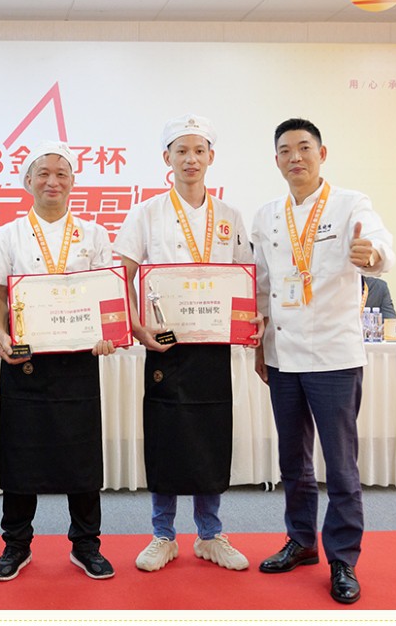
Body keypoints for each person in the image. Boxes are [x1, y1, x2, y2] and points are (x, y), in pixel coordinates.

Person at [251, 118, 395, 605]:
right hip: (282, 355)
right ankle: (300, 541)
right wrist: (259, 346)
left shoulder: (351, 203)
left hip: (334, 355)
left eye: (304, 147)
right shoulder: (267, 215)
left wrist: (371, 255)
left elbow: (382, 248)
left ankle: (343, 558)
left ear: (322, 153)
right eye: (285, 150)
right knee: (293, 460)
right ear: (276, 160)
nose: (295, 157)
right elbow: (262, 287)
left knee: (340, 464)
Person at [113, 114, 261, 574]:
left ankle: (210, 535)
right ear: (167, 158)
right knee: (165, 439)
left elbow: (245, 279)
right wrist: (137, 327)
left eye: (199, 150)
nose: (190, 159)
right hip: (165, 346)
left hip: (213, 347)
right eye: (181, 151)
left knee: (211, 437)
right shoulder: (146, 213)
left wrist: (248, 325)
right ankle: (162, 535)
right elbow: (121, 275)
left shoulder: (230, 216)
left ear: (211, 157)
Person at [0, 141, 117, 582]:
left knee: (82, 455)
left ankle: (86, 544)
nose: (52, 181)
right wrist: (0, 333)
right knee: (20, 454)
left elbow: (107, 295)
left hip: (78, 361)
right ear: (27, 181)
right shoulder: (6, 235)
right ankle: (16, 544)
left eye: (61, 173)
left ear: (73, 182)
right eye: (43, 173)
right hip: (25, 361)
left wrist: (109, 335)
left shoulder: (95, 235)